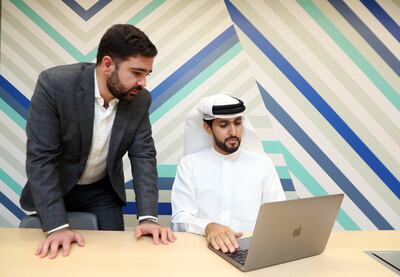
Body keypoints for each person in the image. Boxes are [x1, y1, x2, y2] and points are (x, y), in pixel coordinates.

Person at [20, 24, 176, 259]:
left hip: (101, 191)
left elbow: (143, 156)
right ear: (107, 65)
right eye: (136, 73)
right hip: (57, 186)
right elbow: (42, 158)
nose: (143, 82)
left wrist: (148, 218)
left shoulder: (140, 100)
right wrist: (57, 227)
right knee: (56, 258)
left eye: (146, 74)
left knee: (112, 259)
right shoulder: (54, 85)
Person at [171, 94, 285, 254]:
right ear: (207, 128)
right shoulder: (189, 165)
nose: (233, 131)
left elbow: (278, 215)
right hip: (203, 251)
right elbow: (179, 218)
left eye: (238, 123)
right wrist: (208, 227)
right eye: (224, 125)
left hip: (253, 252)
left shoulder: (263, 164)